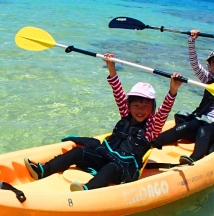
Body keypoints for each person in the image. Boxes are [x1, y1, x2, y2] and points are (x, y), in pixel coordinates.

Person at [24, 54, 183, 191]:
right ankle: (43, 170)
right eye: (136, 105)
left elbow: (164, 111)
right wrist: (111, 68)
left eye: (145, 106)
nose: (140, 110)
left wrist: (172, 91)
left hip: (123, 170)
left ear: (151, 109)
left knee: (111, 167)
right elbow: (118, 93)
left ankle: (88, 189)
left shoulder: (151, 128)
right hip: (106, 157)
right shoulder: (125, 115)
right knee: (79, 152)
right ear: (129, 106)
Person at [150, 30, 214, 163]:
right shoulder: (207, 79)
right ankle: (150, 143)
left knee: (204, 131)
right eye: (213, 62)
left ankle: (194, 159)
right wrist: (192, 40)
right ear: (210, 65)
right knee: (184, 127)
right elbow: (194, 63)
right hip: (202, 120)